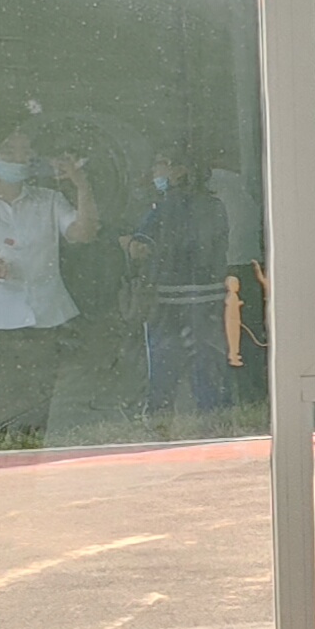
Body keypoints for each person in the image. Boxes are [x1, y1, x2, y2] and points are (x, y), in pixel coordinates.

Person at [0, 115, 92, 449]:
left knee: (35, 414)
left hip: (42, 322)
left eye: (25, 151)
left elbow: (83, 233)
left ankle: (28, 467)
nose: (17, 158)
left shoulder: (48, 200)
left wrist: (82, 186)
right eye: (8, 150)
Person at [123, 139, 233, 432]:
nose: (154, 171)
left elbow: (140, 248)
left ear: (178, 169)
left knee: (164, 363)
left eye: (159, 164)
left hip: (168, 298)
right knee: (206, 363)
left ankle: (159, 421)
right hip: (209, 295)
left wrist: (126, 243)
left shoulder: (163, 206)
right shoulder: (215, 205)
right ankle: (213, 420)